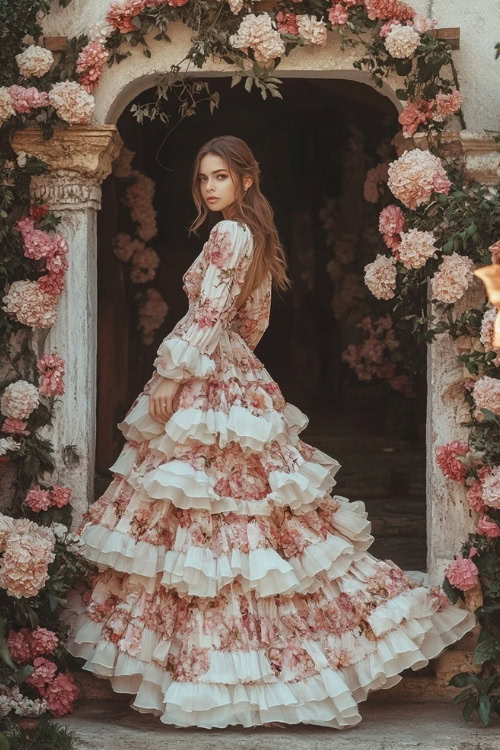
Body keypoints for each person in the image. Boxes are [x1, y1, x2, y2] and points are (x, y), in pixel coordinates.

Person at [67, 135, 475, 729]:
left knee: (211, 526)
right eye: (203, 177)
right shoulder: (256, 237)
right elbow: (251, 323)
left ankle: (217, 674)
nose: (209, 187)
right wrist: (232, 366)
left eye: (220, 177)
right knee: (248, 529)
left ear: (246, 180)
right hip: (233, 375)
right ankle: (253, 670)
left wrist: (170, 375)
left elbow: (207, 315)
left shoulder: (228, 234)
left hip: (208, 376)